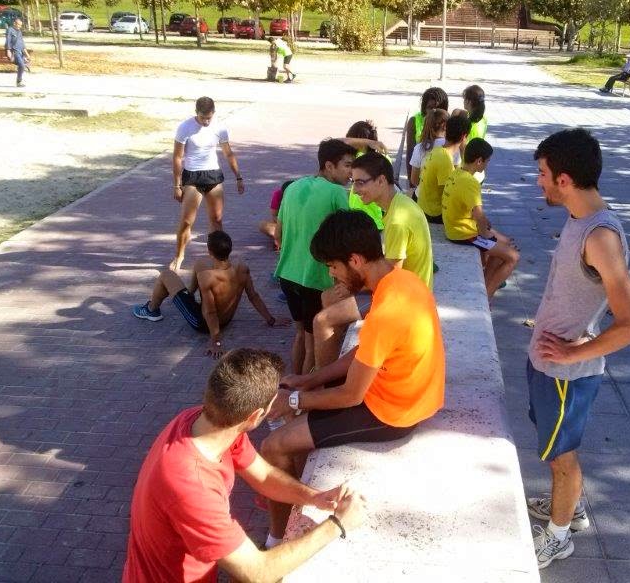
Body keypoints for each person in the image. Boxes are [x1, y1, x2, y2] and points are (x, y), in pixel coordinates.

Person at [259, 209, 445, 551]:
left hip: (391, 415)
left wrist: (294, 399)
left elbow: (350, 395)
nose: (332, 274)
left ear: (355, 260)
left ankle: (276, 541)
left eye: (333, 266)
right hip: (407, 396)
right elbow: (365, 353)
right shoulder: (402, 281)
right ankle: (296, 498)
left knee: (273, 446)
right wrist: (309, 380)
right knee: (301, 409)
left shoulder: (386, 310)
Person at [123, 348, 367, 583]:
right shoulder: (192, 487)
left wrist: (315, 497)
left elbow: (264, 476)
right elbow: (258, 573)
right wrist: (337, 524)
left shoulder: (204, 422)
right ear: (255, 416)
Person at [526, 128, 630, 568]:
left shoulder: (600, 238)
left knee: (563, 457)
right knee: (555, 449)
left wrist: (575, 353)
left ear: (564, 179)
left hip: (566, 376)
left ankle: (559, 537)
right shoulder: (578, 217)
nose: (538, 181)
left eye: (542, 173)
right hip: (548, 365)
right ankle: (570, 508)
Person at [313, 151, 433, 367]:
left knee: (323, 320)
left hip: (405, 301)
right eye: (353, 182)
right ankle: (334, 362)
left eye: (361, 183)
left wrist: (354, 286)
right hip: (410, 290)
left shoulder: (397, 220)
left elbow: (391, 276)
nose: (355, 190)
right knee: (329, 296)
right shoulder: (399, 204)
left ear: (381, 181)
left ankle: (327, 377)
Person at [132, 231, 287, 358]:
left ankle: (151, 310)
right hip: (226, 320)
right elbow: (254, 296)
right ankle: (181, 295)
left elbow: (210, 312)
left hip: (203, 324)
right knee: (199, 265)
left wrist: (216, 342)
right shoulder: (242, 268)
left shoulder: (207, 278)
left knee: (166, 275)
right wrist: (271, 320)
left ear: (210, 251)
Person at [274, 139, 355, 375]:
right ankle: (301, 392)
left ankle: (292, 382)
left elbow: (277, 233)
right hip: (315, 280)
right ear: (329, 166)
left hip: (286, 275)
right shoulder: (337, 192)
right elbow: (346, 238)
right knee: (313, 344)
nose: (351, 172)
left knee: (300, 335)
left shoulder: (292, 188)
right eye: (347, 165)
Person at [170, 96, 243, 271]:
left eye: (209, 117)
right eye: (203, 118)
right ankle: (179, 255)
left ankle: (217, 258)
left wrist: (238, 177)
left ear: (213, 113)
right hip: (192, 176)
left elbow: (228, 154)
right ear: (196, 113)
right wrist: (177, 185)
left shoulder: (219, 128)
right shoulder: (185, 128)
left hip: (213, 175)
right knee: (187, 221)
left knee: (216, 220)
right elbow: (177, 157)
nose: (206, 121)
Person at [442, 138, 518, 300]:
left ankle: (485, 284)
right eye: (487, 161)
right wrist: (487, 235)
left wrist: (488, 230)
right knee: (513, 257)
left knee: (504, 243)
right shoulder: (471, 183)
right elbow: (478, 215)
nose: (487, 165)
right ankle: (486, 296)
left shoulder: (456, 173)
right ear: (478, 161)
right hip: (463, 234)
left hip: (454, 228)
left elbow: (471, 210)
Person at [416, 113, 470, 224]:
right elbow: (453, 194)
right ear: (464, 137)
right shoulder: (445, 160)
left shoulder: (438, 150)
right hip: (433, 213)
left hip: (424, 205)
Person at [344, 120, 386, 230]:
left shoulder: (358, 160)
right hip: (375, 220)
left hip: (359, 219)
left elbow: (340, 143)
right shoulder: (383, 159)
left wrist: (365, 142)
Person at [405, 87, 449, 180]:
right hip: (421, 176)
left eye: (438, 108)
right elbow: (410, 152)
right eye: (430, 108)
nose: (434, 111)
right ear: (424, 108)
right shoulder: (414, 121)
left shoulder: (448, 122)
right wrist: (411, 182)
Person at [409, 108, 449, 191]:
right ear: (446, 126)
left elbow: (414, 179)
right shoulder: (452, 147)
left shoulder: (420, 148)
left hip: (423, 194)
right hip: (445, 194)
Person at [258, 180, 295, 251]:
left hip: (299, 225)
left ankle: (285, 239)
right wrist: (283, 225)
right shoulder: (278, 195)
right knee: (262, 225)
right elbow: (274, 215)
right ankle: (285, 238)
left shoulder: (301, 197)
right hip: (283, 223)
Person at [4, 17, 29, 88]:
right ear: (14, 23)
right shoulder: (10, 30)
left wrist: (26, 54)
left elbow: (22, 43)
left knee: (22, 65)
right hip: (14, 52)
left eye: (20, 25)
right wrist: (8, 50)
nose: (19, 26)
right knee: (22, 65)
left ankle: (19, 80)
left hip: (21, 52)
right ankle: (19, 81)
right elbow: (8, 41)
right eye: (18, 24)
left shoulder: (19, 31)